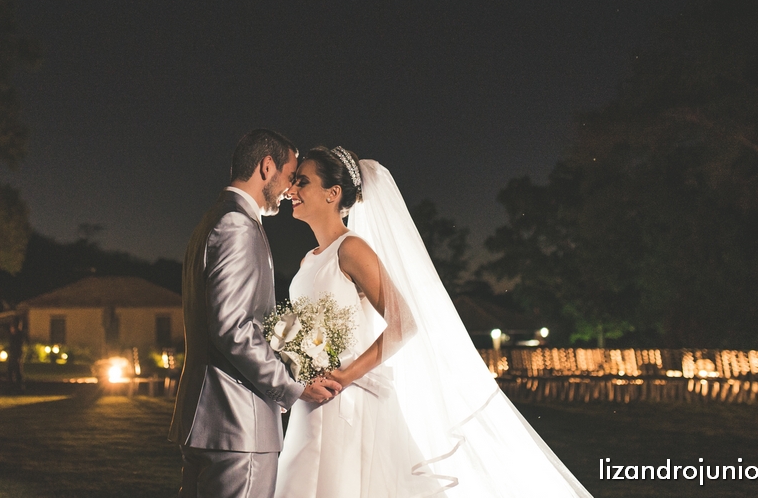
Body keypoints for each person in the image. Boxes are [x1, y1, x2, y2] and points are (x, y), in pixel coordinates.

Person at [274, 147, 592, 498]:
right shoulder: (308, 259)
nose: (291, 190)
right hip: (311, 396)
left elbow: (403, 324)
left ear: (333, 193)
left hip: (346, 398)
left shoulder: (351, 249)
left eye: (302, 182)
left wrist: (345, 376)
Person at [170, 129, 341, 498]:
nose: (290, 189)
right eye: (289, 176)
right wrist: (292, 385)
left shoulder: (212, 220)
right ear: (267, 167)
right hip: (237, 422)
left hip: (206, 418)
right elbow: (232, 327)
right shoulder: (237, 225)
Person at [6, 316, 26, 391]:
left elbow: (19, 346)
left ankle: (18, 388)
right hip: (12, 355)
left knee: (17, 372)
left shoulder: (19, 335)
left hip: (16, 355)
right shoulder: (13, 335)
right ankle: (12, 387)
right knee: (11, 372)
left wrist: (19, 356)